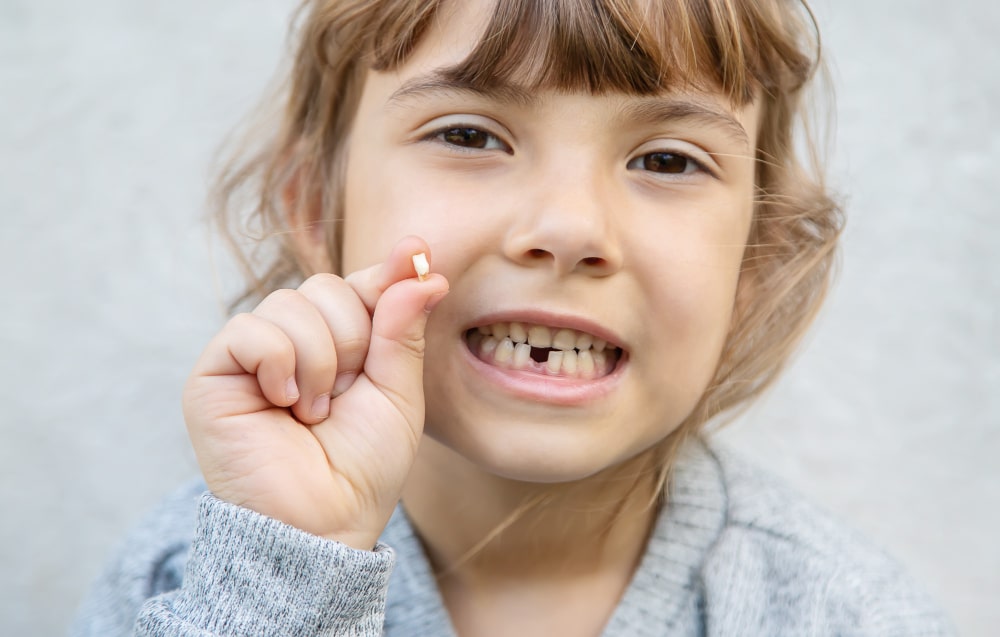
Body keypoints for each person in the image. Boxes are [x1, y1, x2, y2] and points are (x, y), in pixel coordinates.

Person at [70, 0, 955, 635]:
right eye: (469, 135)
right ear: (314, 209)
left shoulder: (847, 615)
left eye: (667, 159)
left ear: (752, 261)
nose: (569, 229)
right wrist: (288, 576)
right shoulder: (194, 583)